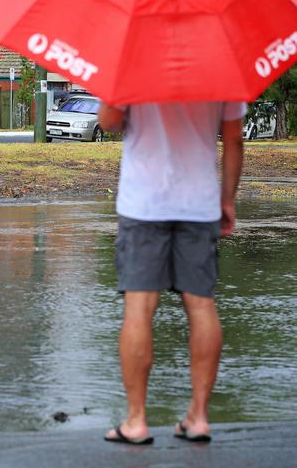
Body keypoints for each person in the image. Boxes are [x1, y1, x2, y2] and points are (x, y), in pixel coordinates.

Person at [99, 101, 246, 445]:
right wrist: (227, 199)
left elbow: (108, 122)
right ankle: (198, 417)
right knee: (201, 305)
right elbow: (235, 139)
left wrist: (117, 96)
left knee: (138, 310)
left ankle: (136, 420)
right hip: (199, 203)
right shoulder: (221, 63)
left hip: (143, 203)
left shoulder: (132, 59)